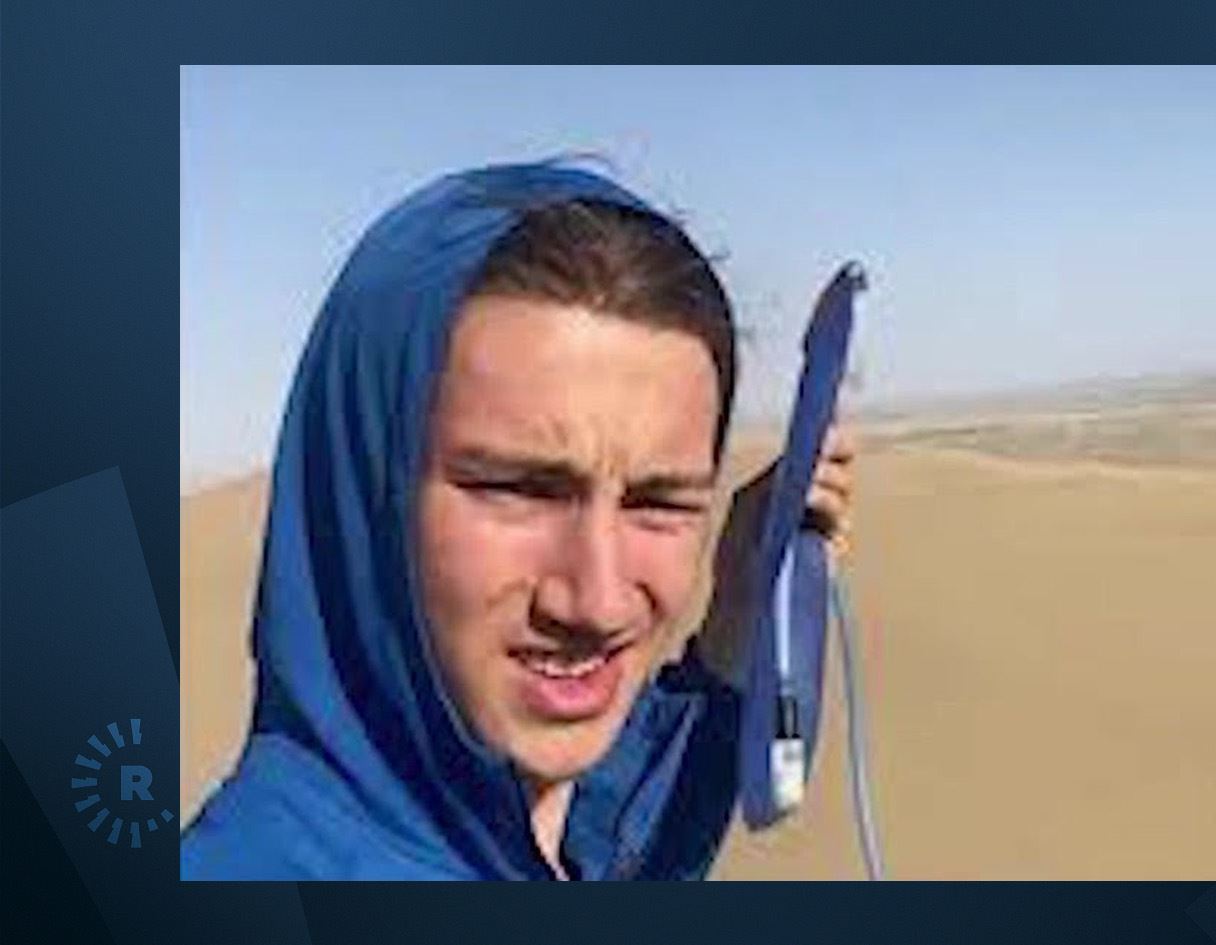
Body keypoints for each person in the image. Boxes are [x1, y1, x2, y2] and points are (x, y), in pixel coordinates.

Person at [180, 162, 855, 880]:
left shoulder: (493, 823)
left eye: (658, 501)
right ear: (366, 506)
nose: (597, 603)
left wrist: (737, 626)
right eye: (520, 490)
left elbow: (601, 848)